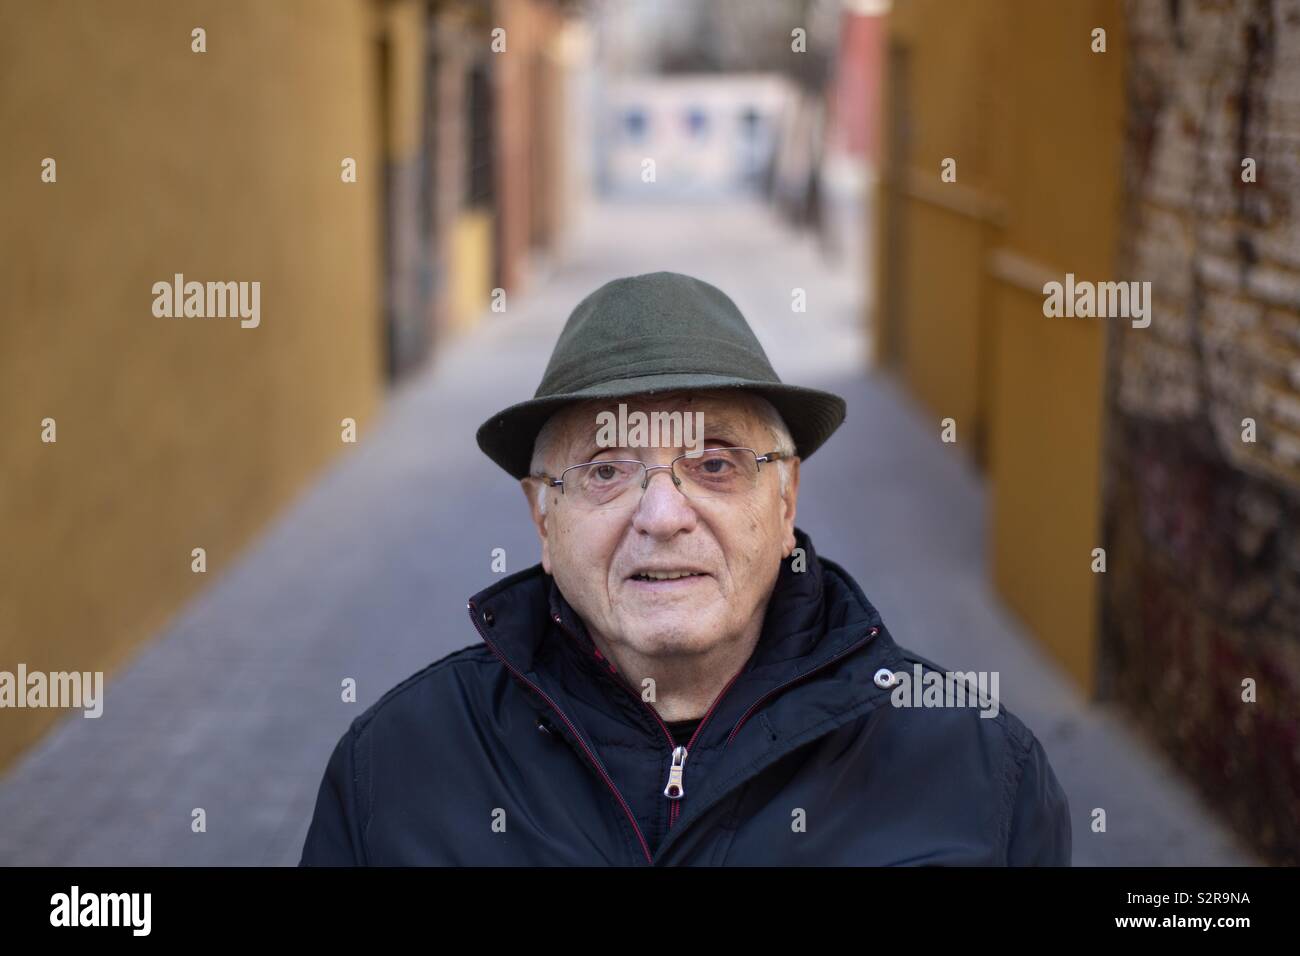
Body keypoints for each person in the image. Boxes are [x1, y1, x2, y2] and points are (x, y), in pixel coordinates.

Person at [300, 271, 1071, 865]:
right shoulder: (396, 767)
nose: (663, 516)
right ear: (542, 516)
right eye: (606, 471)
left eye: (713, 463)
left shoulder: (979, 771)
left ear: (785, 497)